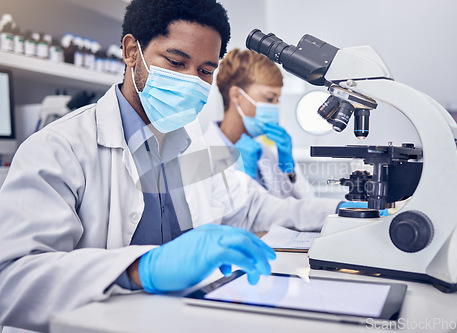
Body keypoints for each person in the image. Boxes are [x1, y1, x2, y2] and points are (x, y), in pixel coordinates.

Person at [0, 0, 340, 331]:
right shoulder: (61, 148)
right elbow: (11, 280)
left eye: (206, 71)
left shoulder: (193, 144)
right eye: (177, 63)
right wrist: (141, 269)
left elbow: (255, 207)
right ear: (132, 51)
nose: (193, 81)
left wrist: (345, 212)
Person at [205, 49, 315, 199]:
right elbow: (216, 218)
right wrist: (245, 179)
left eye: (277, 100)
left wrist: (289, 169)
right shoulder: (204, 155)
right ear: (236, 95)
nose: (275, 107)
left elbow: (304, 209)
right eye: (270, 99)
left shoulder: (267, 154)